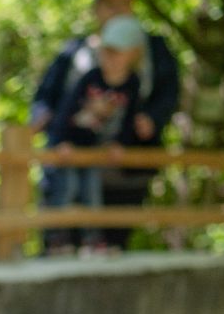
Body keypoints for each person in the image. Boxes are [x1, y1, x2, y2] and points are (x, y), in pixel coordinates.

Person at [30, 0, 180, 252]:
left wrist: (152, 119)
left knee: (110, 245)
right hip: (70, 164)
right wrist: (42, 122)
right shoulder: (75, 52)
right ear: (97, 10)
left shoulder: (154, 51)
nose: (120, 11)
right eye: (111, 5)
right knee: (60, 242)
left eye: (126, 3)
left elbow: (168, 96)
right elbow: (46, 98)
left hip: (121, 172)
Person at [43, 15, 147, 253]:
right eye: (106, 52)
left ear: (132, 54)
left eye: (117, 53)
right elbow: (65, 110)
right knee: (66, 189)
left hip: (94, 149)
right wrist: (61, 142)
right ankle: (57, 240)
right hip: (69, 145)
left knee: (92, 193)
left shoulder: (132, 84)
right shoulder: (90, 78)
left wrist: (120, 144)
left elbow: (128, 120)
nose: (109, 59)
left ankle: (92, 240)